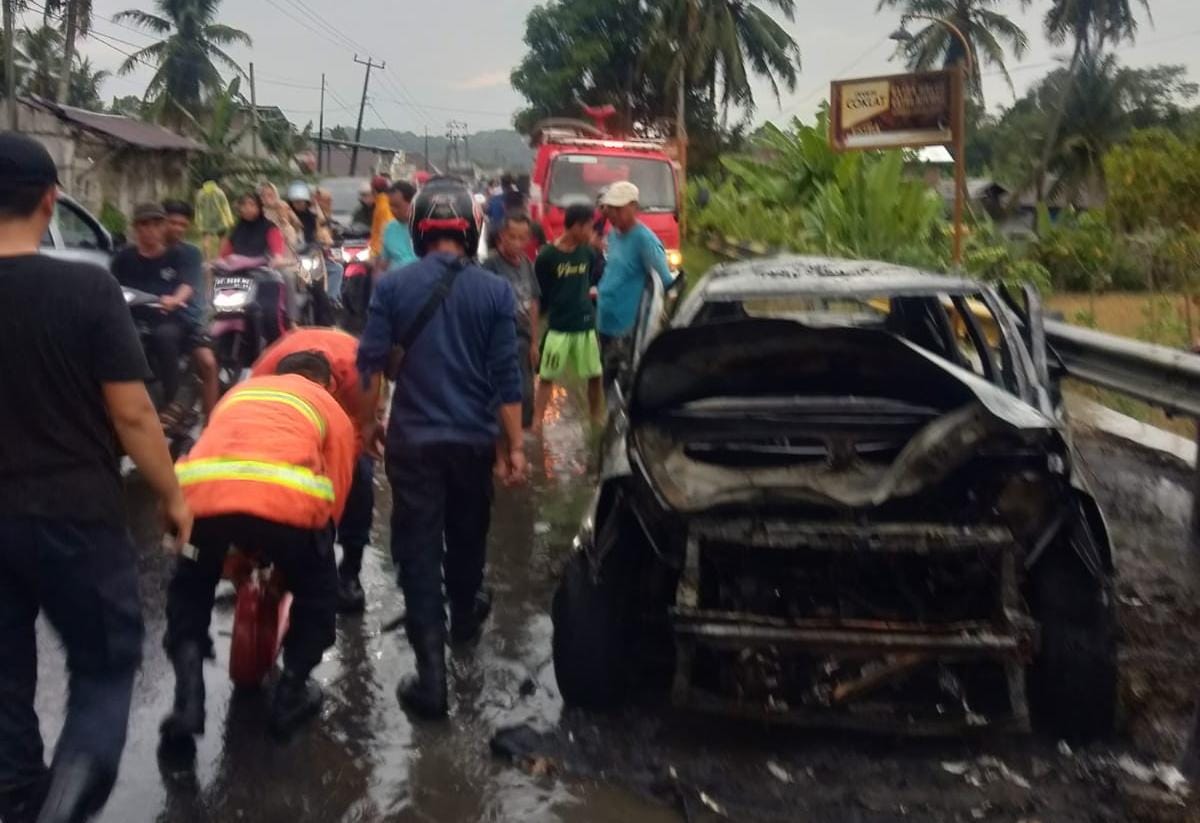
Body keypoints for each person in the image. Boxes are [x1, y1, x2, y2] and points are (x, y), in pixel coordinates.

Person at [0, 133, 192, 823]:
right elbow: (135, 413)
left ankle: (21, 802)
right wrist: (172, 495)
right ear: (51, 199)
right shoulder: (86, 284)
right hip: (75, 515)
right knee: (106, 671)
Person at [358, 176, 528, 719]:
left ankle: (431, 680)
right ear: (472, 229)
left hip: (413, 445)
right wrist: (516, 447)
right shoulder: (496, 292)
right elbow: (507, 379)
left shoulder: (392, 288)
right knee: (467, 538)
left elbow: (370, 368)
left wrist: (366, 429)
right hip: (472, 443)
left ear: (419, 229)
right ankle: (462, 621)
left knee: (419, 551)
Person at [162, 352, 355, 744]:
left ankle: (187, 700)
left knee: (190, 589)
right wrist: (297, 566)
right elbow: (333, 502)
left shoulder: (240, 393)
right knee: (319, 595)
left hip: (200, 498)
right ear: (326, 383)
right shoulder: (329, 407)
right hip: (287, 504)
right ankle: (291, 693)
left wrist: (228, 557)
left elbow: (225, 461)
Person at [252, 328, 375, 613]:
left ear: (330, 384)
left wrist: (324, 523)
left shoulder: (361, 372)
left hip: (345, 410)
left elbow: (362, 431)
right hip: (284, 418)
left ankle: (350, 571)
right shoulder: (264, 375)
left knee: (359, 475)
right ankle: (268, 559)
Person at [111, 203, 204, 414]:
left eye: (156, 223)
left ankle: (174, 406)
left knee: (165, 337)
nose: (150, 230)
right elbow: (110, 287)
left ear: (164, 227)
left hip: (169, 319)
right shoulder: (123, 259)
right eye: (144, 224)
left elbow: (187, 285)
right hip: (132, 320)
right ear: (135, 228)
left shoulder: (180, 256)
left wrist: (174, 299)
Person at [595, 181, 673, 392]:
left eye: (619, 209)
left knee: (624, 384)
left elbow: (665, 282)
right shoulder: (613, 235)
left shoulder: (644, 240)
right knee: (607, 379)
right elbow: (614, 271)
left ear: (633, 208)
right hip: (605, 322)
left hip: (627, 327)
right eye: (611, 208)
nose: (613, 214)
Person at [533, 204, 604, 432]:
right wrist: (534, 338)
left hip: (585, 324)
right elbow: (538, 296)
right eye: (588, 228)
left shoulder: (588, 253)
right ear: (575, 227)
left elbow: (592, 277)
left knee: (595, 375)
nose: (591, 233)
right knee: (546, 377)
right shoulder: (547, 257)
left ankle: (596, 420)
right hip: (558, 327)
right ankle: (537, 424)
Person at [163, 199, 221, 417]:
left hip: (189, 321)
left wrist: (175, 302)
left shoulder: (190, 254)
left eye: (182, 225)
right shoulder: (138, 253)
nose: (177, 228)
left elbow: (187, 289)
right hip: (151, 322)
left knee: (207, 363)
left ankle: (211, 425)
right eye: (172, 222)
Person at [484, 214, 541, 429]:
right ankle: (503, 453)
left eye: (522, 238)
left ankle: (516, 442)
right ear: (502, 236)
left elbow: (534, 302)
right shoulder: (490, 265)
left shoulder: (527, 263)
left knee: (525, 394)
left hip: (524, 339)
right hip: (501, 340)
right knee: (502, 395)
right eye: (512, 237)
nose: (517, 243)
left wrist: (535, 341)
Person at [220, 192, 292, 345]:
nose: (247, 209)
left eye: (252, 205)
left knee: (270, 316)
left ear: (260, 207)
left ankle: (280, 350)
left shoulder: (270, 228)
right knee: (222, 315)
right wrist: (214, 264)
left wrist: (275, 260)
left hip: (265, 279)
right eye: (244, 205)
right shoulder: (236, 230)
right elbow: (225, 255)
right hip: (237, 280)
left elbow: (277, 254)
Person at [378, 180, 418, 272]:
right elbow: (383, 264)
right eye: (391, 206)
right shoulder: (389, 228)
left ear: (412, 203)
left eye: (397, 206)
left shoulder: (425, 228)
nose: (393, 210)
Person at [259, 181, 302, 252]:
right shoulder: (260, 210)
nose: (266, 198)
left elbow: (297, 224)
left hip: (287, 241)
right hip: (267, 243)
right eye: (263, 195)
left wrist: (285, 220)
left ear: (275, 194)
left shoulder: (282, 205)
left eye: (270, 195)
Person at [367, 175, 394, 261]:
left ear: (374, 190)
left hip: (379, 253)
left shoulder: (382, 206)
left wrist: (376, 253)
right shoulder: (381, 203)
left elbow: (386, 229)